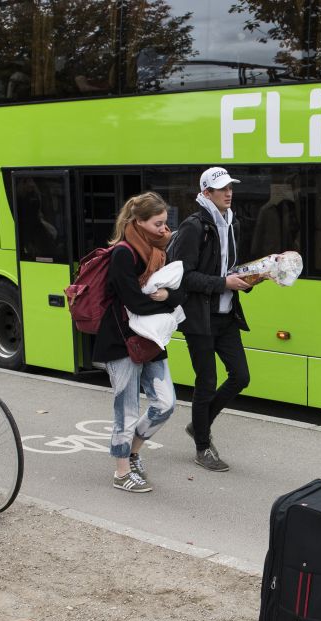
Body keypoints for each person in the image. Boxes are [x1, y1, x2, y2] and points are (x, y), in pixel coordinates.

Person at [169, 167, 262, 472]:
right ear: (206, 194)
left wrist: (250, 278)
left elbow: (230, 269)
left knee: (241, 377)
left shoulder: (232, 224)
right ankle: (202, 446)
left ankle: (200, 424)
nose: (229, 192)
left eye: (230, 187)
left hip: (226, 316)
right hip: (199, 319)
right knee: (206, 383)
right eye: (222, 189)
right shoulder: (194, 227)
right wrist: (224, 283)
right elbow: (184, 277)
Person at [92, 191, 184, 494]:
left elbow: (177, 293)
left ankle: (133, 452)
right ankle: (121, 471)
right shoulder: (123, 253)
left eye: (165, 223)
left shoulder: (159, 252)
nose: (164, 229)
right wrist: (167, 302)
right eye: (158, 224)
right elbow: (135, 301)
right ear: (139, 222)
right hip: (121, 341)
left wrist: (167, 297)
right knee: (126, 409)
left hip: (150, 340)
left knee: (166, 403)